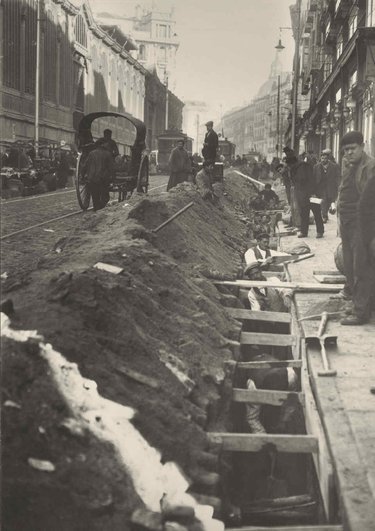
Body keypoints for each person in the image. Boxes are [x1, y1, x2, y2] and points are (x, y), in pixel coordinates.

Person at [337, 131, 375, 325]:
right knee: (350, 268)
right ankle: (356, 303)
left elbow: (369, 201)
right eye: (345, 150)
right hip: (347, 223)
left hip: (362, 225)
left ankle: (361, 313)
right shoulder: (349, 166)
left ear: (362, 146)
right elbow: (343, 193)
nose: (349, 153)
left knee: (361, 267)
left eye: (352, 149)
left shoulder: (371, 167)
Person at [286, 151, 324, 238]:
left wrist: (313, 193)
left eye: (289, 164)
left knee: (316, 213)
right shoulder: (296, 168)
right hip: (303, 195)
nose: (289, 166)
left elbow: (309, 180)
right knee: (304, 214)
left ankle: (319, 231)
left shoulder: (303, 167)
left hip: (311, 194)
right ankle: (304, 232)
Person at [83, 142, 114, 211]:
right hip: (103, 179)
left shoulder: (91, 153)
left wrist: (84, 175)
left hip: (92, 178)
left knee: (95, 196)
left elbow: (85, 165)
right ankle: (100, 209)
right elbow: (111, 168)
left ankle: (96, 209)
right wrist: (112, 178)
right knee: (105, 196)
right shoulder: (107, 154)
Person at [313, 149, 341, 222]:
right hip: (320, 187)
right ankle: (324, 216)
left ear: (328, 159)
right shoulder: (316, 166)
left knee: (329, 201)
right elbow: (313, 177)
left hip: (331, 186)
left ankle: (326, 213)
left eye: (325, 158)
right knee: (323, 201)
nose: (323, 160)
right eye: (322, 158)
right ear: (320, 158)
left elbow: (338, 176)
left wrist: (339, 185)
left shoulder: (334, 166)